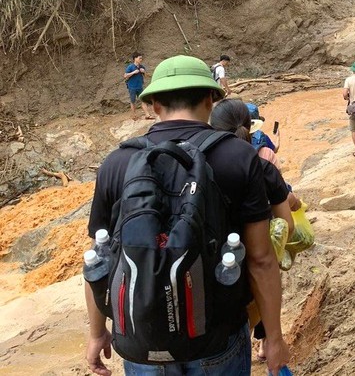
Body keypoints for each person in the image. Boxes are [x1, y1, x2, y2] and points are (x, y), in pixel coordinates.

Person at [85, 55, 289, 376]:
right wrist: (274, 337)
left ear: (154, 105)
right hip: (216, 341)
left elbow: (100, 260)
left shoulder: (116, 163)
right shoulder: (238, 157)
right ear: (210, 100)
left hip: (141, 344)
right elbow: (262, 259)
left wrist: (97, 333)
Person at [210, 99, 296, 364]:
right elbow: (287, 226)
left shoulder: (199, 164)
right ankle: (264, 343)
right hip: (257, 259)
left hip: (215, 268)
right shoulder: (263, 162)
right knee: (254, 308)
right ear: (250, 126)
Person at [124, 52, 154, 120]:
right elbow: (125, 76)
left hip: (140, 86)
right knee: (133, 101)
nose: (141, 59)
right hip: (132, 87)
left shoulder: (141, 67)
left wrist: (144, 72)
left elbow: (146, 76)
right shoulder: (130, 67)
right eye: (139, 58)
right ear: (135, 58)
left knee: (143, 100)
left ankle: (147, 115)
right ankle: (134, 115)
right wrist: (133, 72)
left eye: (141, 58)